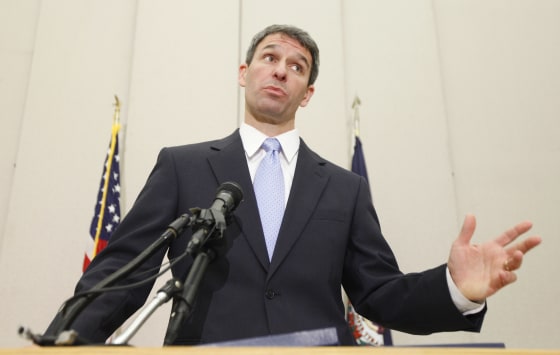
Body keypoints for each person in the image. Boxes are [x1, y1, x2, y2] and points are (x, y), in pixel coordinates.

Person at [45, 24, 541, 346]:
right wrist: (60, 342)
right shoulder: (182, 166)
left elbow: (380, 294)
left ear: (307, 93)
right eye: (269, 57)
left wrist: (457, 289)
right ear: (244, 73)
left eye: (297, 67)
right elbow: (120, 276)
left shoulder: (344, 189)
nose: (281, 69)